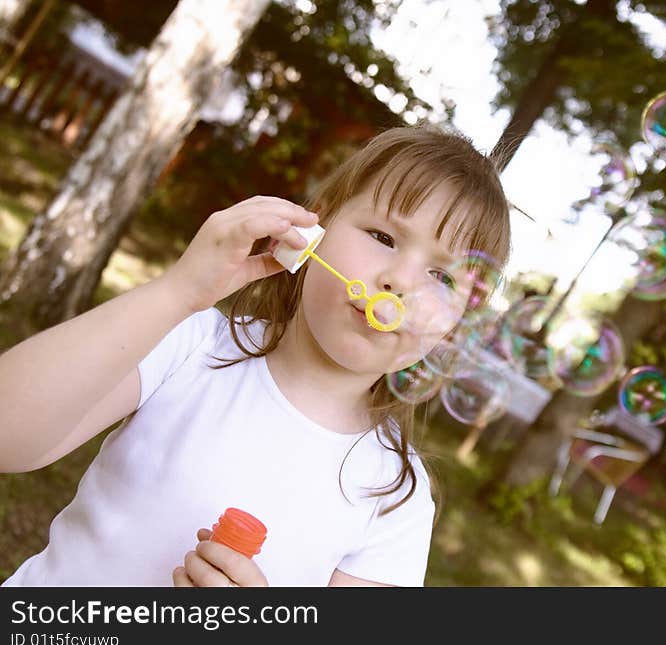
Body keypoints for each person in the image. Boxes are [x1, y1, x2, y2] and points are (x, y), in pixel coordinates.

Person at [0, 124, 512, 586]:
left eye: (442, 276)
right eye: (383, 237)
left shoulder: (394, 497)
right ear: (315, 230)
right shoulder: (193, 346)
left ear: (452, 329)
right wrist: (177, 292)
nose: (398, 281)